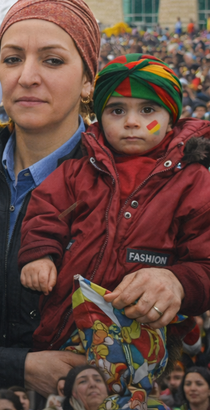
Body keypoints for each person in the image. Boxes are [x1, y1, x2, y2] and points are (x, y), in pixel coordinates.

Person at [0, 0, 191, 394]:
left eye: (52, 60)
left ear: (88, 82)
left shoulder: (150, 183)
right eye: (12, 59)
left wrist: (176, 281)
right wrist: (17, 368)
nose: (27, 76)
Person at [19, 54, 210, 399]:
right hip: (63, 329)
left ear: (171, 120)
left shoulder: (194, 181)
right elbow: (45, 212)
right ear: (100, 116)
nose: (132, 122)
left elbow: (204, 257)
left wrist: (179, 282)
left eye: (147, 111)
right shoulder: (78, 171)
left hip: (140, 337)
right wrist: (40, 255)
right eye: (117, 110)